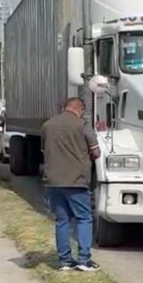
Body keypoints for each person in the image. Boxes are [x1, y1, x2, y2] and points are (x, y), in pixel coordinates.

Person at [42, 98, 101, 272]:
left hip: (53, 181)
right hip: (76, 180)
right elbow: (96, 152)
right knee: (84, 218)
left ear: (65, 108)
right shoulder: (83, 125)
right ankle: (84, 260)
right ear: (80, 109)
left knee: (62, 220)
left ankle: (65, 261)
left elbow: (44, 151)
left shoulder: (47, 125)